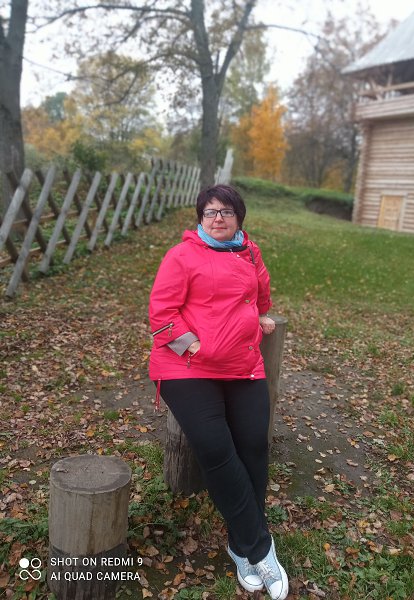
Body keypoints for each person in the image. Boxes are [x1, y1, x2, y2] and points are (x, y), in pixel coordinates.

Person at [148, 184, 289, 600]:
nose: (218, 218)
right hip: (187, 368)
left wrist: (258, 316)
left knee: (254, 448)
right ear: (200, 217)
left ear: (239, 218)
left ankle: (239, 543)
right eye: (210, 212)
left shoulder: (250, 253)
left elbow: (260, 294)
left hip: (242, 365)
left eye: (226, 211)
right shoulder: (182, 255)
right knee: (215, 448)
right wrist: (192, 345)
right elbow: (161, 313)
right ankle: (259, 548)